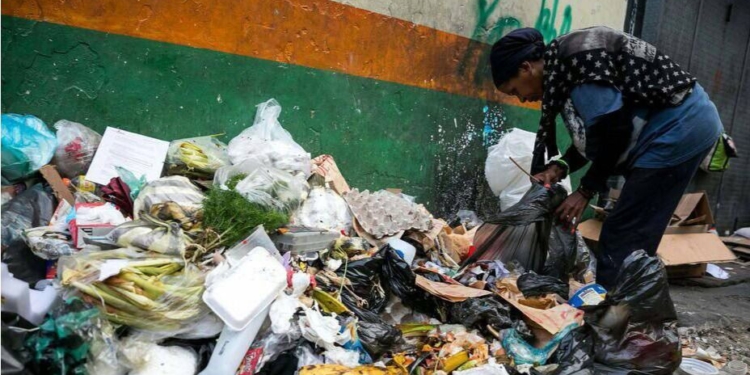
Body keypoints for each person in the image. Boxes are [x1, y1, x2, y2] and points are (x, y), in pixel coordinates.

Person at [489, 26, 723, 288]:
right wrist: (560, 167)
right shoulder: (564, 68)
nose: (521, 98)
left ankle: (613, 316)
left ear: (525, 68)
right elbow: (594, 137)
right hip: (672, 128)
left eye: (514, 90)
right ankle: (626, 306)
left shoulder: (577, 64)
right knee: (632, 230)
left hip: (680, 128)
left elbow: (614, 131)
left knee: (624, 233)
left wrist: (585, 191)